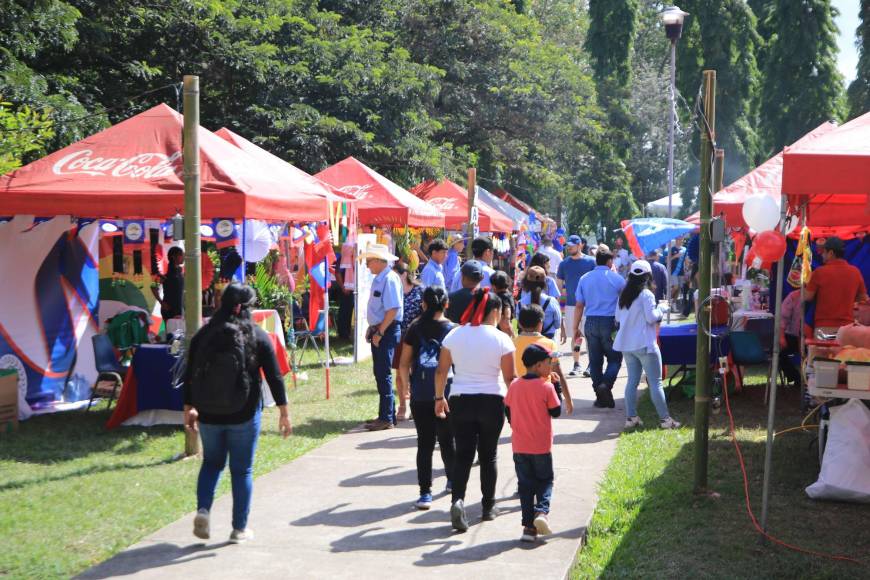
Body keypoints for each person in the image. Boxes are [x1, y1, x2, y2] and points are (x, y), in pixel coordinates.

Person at [183, 283, 292, 544]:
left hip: (209, 414)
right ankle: (239, 529)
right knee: (242, 471)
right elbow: (275, 377)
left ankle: (203, 511)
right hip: (244, 413)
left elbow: (190, 374)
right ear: (245, 307)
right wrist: (284, 413)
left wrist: (189, 408)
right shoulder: (256, 335)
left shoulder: (204, 334)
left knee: (211, 464)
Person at [435, 290, 515, 532]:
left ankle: (457, 500)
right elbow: (510, 378)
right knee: (488, 455)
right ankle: (488, 507)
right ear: (495, 311)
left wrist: (439, 398)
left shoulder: (454, 334)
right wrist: (515, 405)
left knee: (463, 455)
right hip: (492, 400)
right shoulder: (501, 339)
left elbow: (441, 371)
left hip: (460, 400)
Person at [398, 287, 456, 510]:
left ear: (423, 304)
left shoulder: (415, 328)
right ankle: (451, 480)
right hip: (447, 392)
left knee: (425, 443)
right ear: (446, 304)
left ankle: (425, 493)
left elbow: (404, 363)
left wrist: (406, 389)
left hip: (421, 393)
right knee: (447, 439)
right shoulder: (453, 329)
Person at [505, 344, 563, 543]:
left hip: (520, 446)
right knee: (545, 480)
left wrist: (516, 426)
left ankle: (528, 529)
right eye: (548, 364)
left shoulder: (514, 385)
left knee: (525, 486)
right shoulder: (546, 386)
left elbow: (508, 410)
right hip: (541, 447)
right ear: (538, 365)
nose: (550, 367)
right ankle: (542, 513)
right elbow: (556, 411)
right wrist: (557, 387)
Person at [613, 261, 680, 430]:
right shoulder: (647, 295)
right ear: (648, 276)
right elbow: (652, 318)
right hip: (645, 344)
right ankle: (665, 420)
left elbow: (618, 318)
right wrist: (662, 308)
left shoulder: (623, 294)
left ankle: (631, 418)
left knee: (632, 382)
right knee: (656, 383)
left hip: (627, 345)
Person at [574, 247, 626, 408]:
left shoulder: (584, 278)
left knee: (595, 361)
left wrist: (575, 326)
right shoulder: (617, 279)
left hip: (590, 322)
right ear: (610, 261)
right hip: (610, 322)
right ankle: (606, 385)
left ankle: (599, 393)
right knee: (615, 358)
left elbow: (579, 305)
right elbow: (625, 304)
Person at [364, 244, 404, 431]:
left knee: (383, 373)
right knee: (381, 373)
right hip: (381, 329)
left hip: (386, 330)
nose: (366, 264)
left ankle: (387, 417)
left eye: (369, 260)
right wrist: (374, 328)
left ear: (380, 261)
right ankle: (386, 415)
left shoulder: (389, 278)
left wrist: (380, 332)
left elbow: (393, 309)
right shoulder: (381, 278)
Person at [513, 304, 573, 414]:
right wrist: (568, 400)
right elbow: (558, 372)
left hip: (521, 394)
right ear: (540, 323)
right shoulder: (550, 344)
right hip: (544, 395)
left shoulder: (513, 343)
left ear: (520, 324)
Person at [804, 237, 868, 330]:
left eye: (824, 252)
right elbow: (863, 298)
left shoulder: (819, 272)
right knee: (845, 345)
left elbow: (807, 297)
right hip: (847, 327)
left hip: (824, 326)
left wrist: (806, 285)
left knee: (822, 345)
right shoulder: (855, 272)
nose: (822, 255)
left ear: (831, 253)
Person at [557, 235, 596, 376]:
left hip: (589, 305)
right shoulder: (564, 264)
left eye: (572, 245)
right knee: (576, 335)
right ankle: (576, 363)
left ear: (580, 245)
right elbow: (559, 287)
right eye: (568, 245)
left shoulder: (591, 261)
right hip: (571, 305)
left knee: (590, 336)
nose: (569, 247)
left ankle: (591, 365)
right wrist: (560, 307)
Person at [392, 262, 424, 422]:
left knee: (416, 371)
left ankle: (415, 404)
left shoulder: (420, 290)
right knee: (399, 371)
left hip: (417, 337)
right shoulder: (393, 290)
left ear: (404, 274)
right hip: (399, 335)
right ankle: (402, 405)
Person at [520, 265, 562, 341]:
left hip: (526, 343)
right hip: (549, 341)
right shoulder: (551, 301)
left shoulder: (521, 303)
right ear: (544, 282)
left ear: (527, 281)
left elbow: (519, 324)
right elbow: (557, 324)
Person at [152, 246, 185, 323]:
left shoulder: (180, 271)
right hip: (169, 309)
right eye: (181, 255)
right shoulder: (165, 272)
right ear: (173, 257)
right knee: (171, 332)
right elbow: (153, 286)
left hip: (179, 308)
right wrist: (161, 302)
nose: (183, 257)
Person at [778, 289, 803, 386]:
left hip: (809, 336)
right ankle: (796, 377)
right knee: (779, 355)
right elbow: (782, 318)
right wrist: (781, 337)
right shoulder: (794, 296)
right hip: (792, 335)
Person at [490, 270, 516, 337]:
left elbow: (506, 318)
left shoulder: (498, 299)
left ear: (494, 286)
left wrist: (512, 336)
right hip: (510, 329)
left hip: (502, 333)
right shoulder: (510, 296)